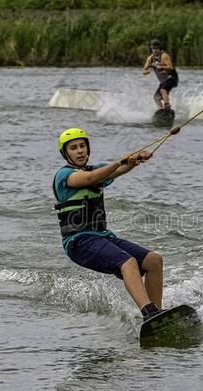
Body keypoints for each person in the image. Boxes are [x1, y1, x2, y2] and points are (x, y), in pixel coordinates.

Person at [52, 128, 164, 321]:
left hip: (102, 236)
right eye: (73, 148)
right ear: (65, 153)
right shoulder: (64, 175)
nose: (80, 151)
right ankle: (149, 314)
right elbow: (90, 178)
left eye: (82, 146)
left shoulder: (99, 169)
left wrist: (136, 159)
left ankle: (159, 313)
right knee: (127, 263)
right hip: (78, 241)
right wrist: (120, 161)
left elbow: (120, 169)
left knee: (154, 260)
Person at [142, 39, 178, 110]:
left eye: (156, 48)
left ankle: (167, 107)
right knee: (156, 97)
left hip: (172, 78)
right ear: (151, 49)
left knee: (163, 90)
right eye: (153, 48)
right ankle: (160, 111)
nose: (155, 50)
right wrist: (147, 71)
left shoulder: (164, 56)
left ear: (159, 48)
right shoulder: (150, 58)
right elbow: (144, 70)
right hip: (163, 81)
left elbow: (170, 67)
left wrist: (161, 67)